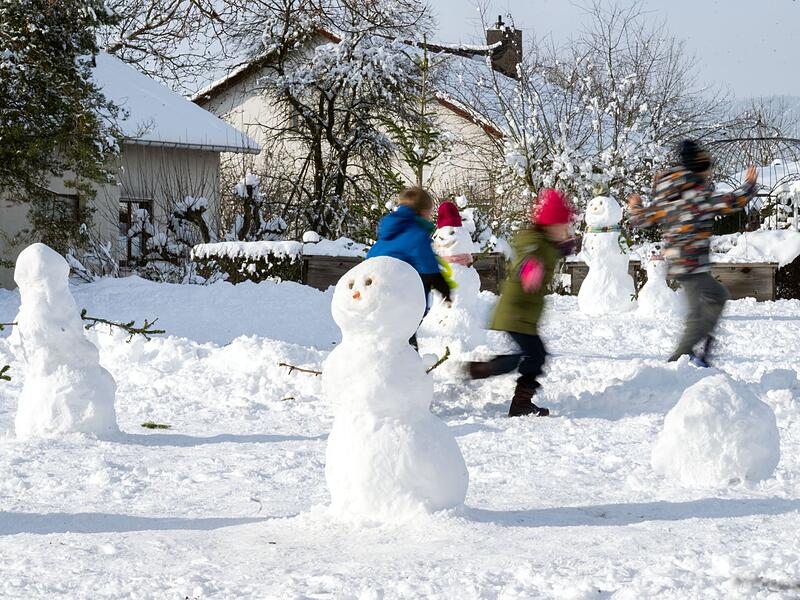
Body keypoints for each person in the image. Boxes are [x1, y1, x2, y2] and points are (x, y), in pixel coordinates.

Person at [628, 139, 758, 367]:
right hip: (692, 265)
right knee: (698, 314)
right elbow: (731, 202)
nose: (709, 175)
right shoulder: (697, 196)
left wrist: (635, 206)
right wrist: (749, 184)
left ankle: (699, 343)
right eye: (707, 170)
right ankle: (679, 359)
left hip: (683, 264)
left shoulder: (669, 198)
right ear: (699, 169)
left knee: (714, 297)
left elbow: (642, 218)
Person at [468, 189, 576, 417]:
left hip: (522, 314)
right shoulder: (534, 243)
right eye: (562, 226)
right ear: (549, 225)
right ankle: (501, 383)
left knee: (533, 356)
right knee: (534, 356)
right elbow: (527, 259)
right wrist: (530, 270)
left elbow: (548, 252)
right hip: (516, 313)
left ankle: (513, 394)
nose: (565, 231)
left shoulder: (544, 243)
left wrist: (562, 248)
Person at [367, 187, 453, 349]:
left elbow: (369, 260)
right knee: (405, 342)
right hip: (400, 301)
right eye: (429, 212)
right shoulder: (417, 235)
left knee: (383, 340)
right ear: (422, 212)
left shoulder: (385, 237)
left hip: (373, 297)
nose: (430, 216)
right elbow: (430, 270)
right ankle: (408, 368)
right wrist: (445, 290)